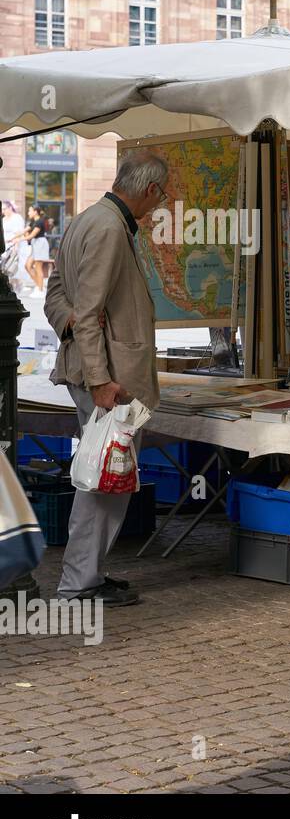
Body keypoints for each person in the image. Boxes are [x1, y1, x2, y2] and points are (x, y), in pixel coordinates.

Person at [43, 151, 170, 607]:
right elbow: (91, 312)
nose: (157, 207)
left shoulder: (85, 220)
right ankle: (79, 584)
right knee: (104, 480)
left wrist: (71, 324)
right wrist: (99, 378)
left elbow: (57, 297)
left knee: (103, 477)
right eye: (160, 198)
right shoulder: (110, 227)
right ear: (150, 190)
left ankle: (86, 575)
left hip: (99, 371)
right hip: (109, 378)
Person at [22, 206, 52, 295]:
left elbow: (32, 235)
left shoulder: (40, 221)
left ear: (35, 212)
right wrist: (13, 237)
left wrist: (17, 240)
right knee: (27, 265)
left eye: (30, 211)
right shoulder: (33, 221)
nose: (28, 213)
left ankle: (40, 289)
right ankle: (39, 286)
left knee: (38, 267)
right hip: (35, 245)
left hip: (40, 244)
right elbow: (24, 231)